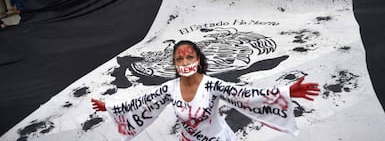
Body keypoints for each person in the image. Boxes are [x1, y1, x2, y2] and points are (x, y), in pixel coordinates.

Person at [92, 40, 320, 141]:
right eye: (179, 58)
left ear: (198, 59)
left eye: (189, 56)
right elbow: (141, 104)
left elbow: (247, 96)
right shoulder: (169, 88)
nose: (184, 61)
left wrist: (286, 93)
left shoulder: (212, 85)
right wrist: (109, 107)